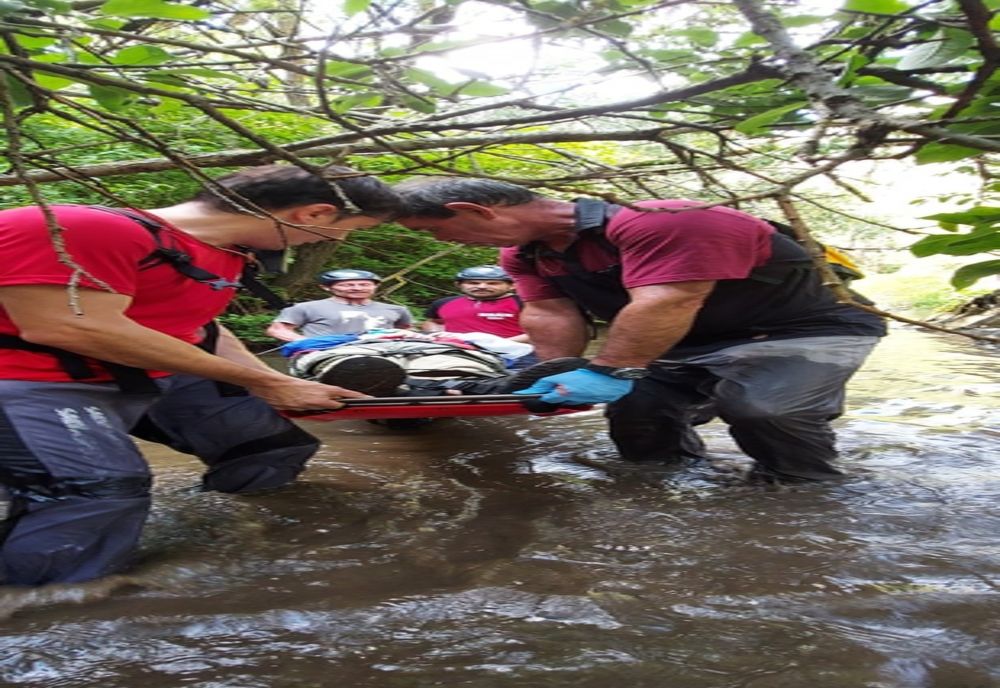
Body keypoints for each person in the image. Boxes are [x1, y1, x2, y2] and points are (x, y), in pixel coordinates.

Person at [0, 163, 405, 586]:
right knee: (96, 492)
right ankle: (44, 602)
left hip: (144, 372)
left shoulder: (227, 251)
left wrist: (273, 381)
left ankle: (232, 532)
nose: (340, 240)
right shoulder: (78, 227)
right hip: (32, 380)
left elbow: (201, 326)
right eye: (349, 229)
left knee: (266, 447)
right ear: (315, 214)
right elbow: (69, 325)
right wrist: (271, 380)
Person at [395, 178, 888, 482]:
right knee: (638, 412)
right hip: (681, 339)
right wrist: (554, 376)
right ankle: (670, 486)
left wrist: (611, 368)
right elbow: (550, 312)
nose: (442, 240)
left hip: (802, 330)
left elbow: (671, 298)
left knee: (761, 408)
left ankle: (805, 494)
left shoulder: (672, 221)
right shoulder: (523, 253)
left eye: (435, 230)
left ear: (473, 212)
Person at [266, 269, 413, 342]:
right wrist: (310, 343)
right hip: (326, 353)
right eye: (347, 284)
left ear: (375, 287)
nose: (357, 288)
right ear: (326, 287)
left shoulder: (397, 310)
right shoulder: (305, 307)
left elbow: (405, 331)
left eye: (364, 284)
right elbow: (277, 330)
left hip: (384, 351)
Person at [422, 265, 527, 341]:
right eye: (473, 283)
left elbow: (541, 331)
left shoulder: (526, 303)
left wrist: (502, 344)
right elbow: (434, 321)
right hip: (457, 351)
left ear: (512, 286)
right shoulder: (443, 303)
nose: (482, 286)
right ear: (458, 285)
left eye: (493, 283)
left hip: (516, 353)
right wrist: (435, 334)